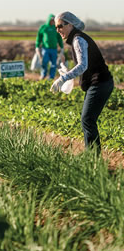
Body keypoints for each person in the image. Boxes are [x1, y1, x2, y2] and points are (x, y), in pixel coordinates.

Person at [51, 12, 114, 151]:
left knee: (87, 120)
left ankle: (93, 158)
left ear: (70, 24)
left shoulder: (78, 39)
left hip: (100, 83)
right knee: (87, 120)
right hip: (99, 83)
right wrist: (67, 72)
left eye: (60, 26)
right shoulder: (76, 38)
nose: (58, 30)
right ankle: (92, 157)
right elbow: (84, 65)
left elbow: (82, 65)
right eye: (56, 27)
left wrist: (63, 78)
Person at [35, 14, 64, 79]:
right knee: (44, 62)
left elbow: (59, 38)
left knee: (54, 64)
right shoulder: (44, 27)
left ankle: (51, 77)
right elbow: (39, 38)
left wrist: (61, 47)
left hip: (54, 49)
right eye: (51, 20)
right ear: (49, 20)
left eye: (53, 21)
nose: (52, 22)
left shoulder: (56, 28)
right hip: (45, 49)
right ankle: (43, 74)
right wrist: (37, 46)